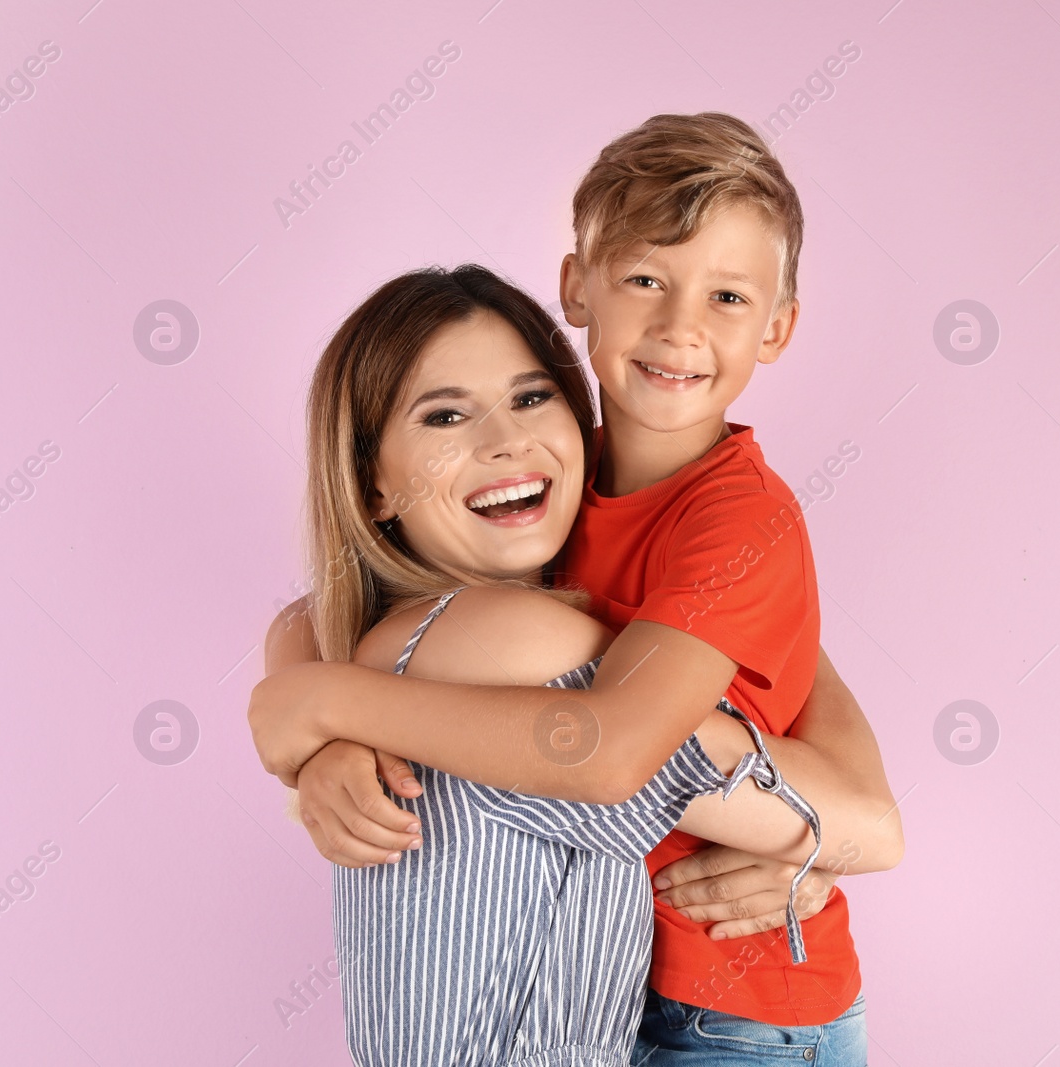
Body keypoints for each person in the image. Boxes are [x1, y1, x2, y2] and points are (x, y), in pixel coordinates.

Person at [251, 113, 898, 1064]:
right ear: (576, 289)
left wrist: (323, 703)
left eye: (726, 295)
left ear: (778, 328)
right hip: (609, 985)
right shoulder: (550, 485)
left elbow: (607, 754)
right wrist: (321, 745)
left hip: (741, 1008)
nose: (679, 327)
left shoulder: (737, 523)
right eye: (646, 279)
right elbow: (324, 612)